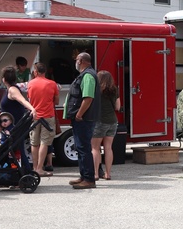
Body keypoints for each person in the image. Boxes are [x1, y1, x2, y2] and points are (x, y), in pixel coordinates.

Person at [64, 52, 99, 189]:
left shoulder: (88, 75)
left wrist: (79, 114)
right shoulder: (85, 75)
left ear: (82, 61)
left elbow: (88, 97)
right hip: (81, 118)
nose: (76, 62)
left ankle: (89, 179)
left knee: (84, 148)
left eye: (77, 60)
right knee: (80, 148)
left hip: (84, 119)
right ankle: (84, 175)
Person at [27, 63, 58, 177]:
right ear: (45, 72)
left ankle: (35, 167)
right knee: (44, 143)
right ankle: (40, 168)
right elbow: (57, 101)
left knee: (34, 143)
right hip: (48, 116)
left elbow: (29, 99)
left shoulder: (30, 84)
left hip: (35, 116)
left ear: (35, 72)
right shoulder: (52, 84)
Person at [93, 69, 120, 181]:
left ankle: (95, 174)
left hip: (99, 121)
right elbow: (117, 107)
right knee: (108, 148)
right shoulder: (114, 90)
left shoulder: (96, 90)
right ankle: (108, 174)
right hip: (112, 121)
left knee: (95, 148)